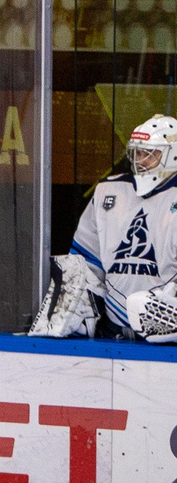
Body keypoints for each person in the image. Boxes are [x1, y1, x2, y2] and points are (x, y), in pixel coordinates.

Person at [31, 114, 177, 341]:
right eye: (138, 152)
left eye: (151, 154)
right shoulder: (109, 191)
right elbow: (85, 263)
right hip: (113, 330)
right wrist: (72, 309)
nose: (140, 161)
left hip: (167, 334)